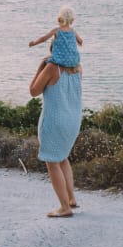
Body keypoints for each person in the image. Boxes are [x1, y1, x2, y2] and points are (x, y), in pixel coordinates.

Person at [29, 50, 83, 218]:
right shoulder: (78, 68)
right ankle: (71, 199)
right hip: (73, 121)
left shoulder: (52, 67)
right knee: (63, 157)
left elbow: (33, 91)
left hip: (55, 121)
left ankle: (64, 207)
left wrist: (41, 66)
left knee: (52, 163)